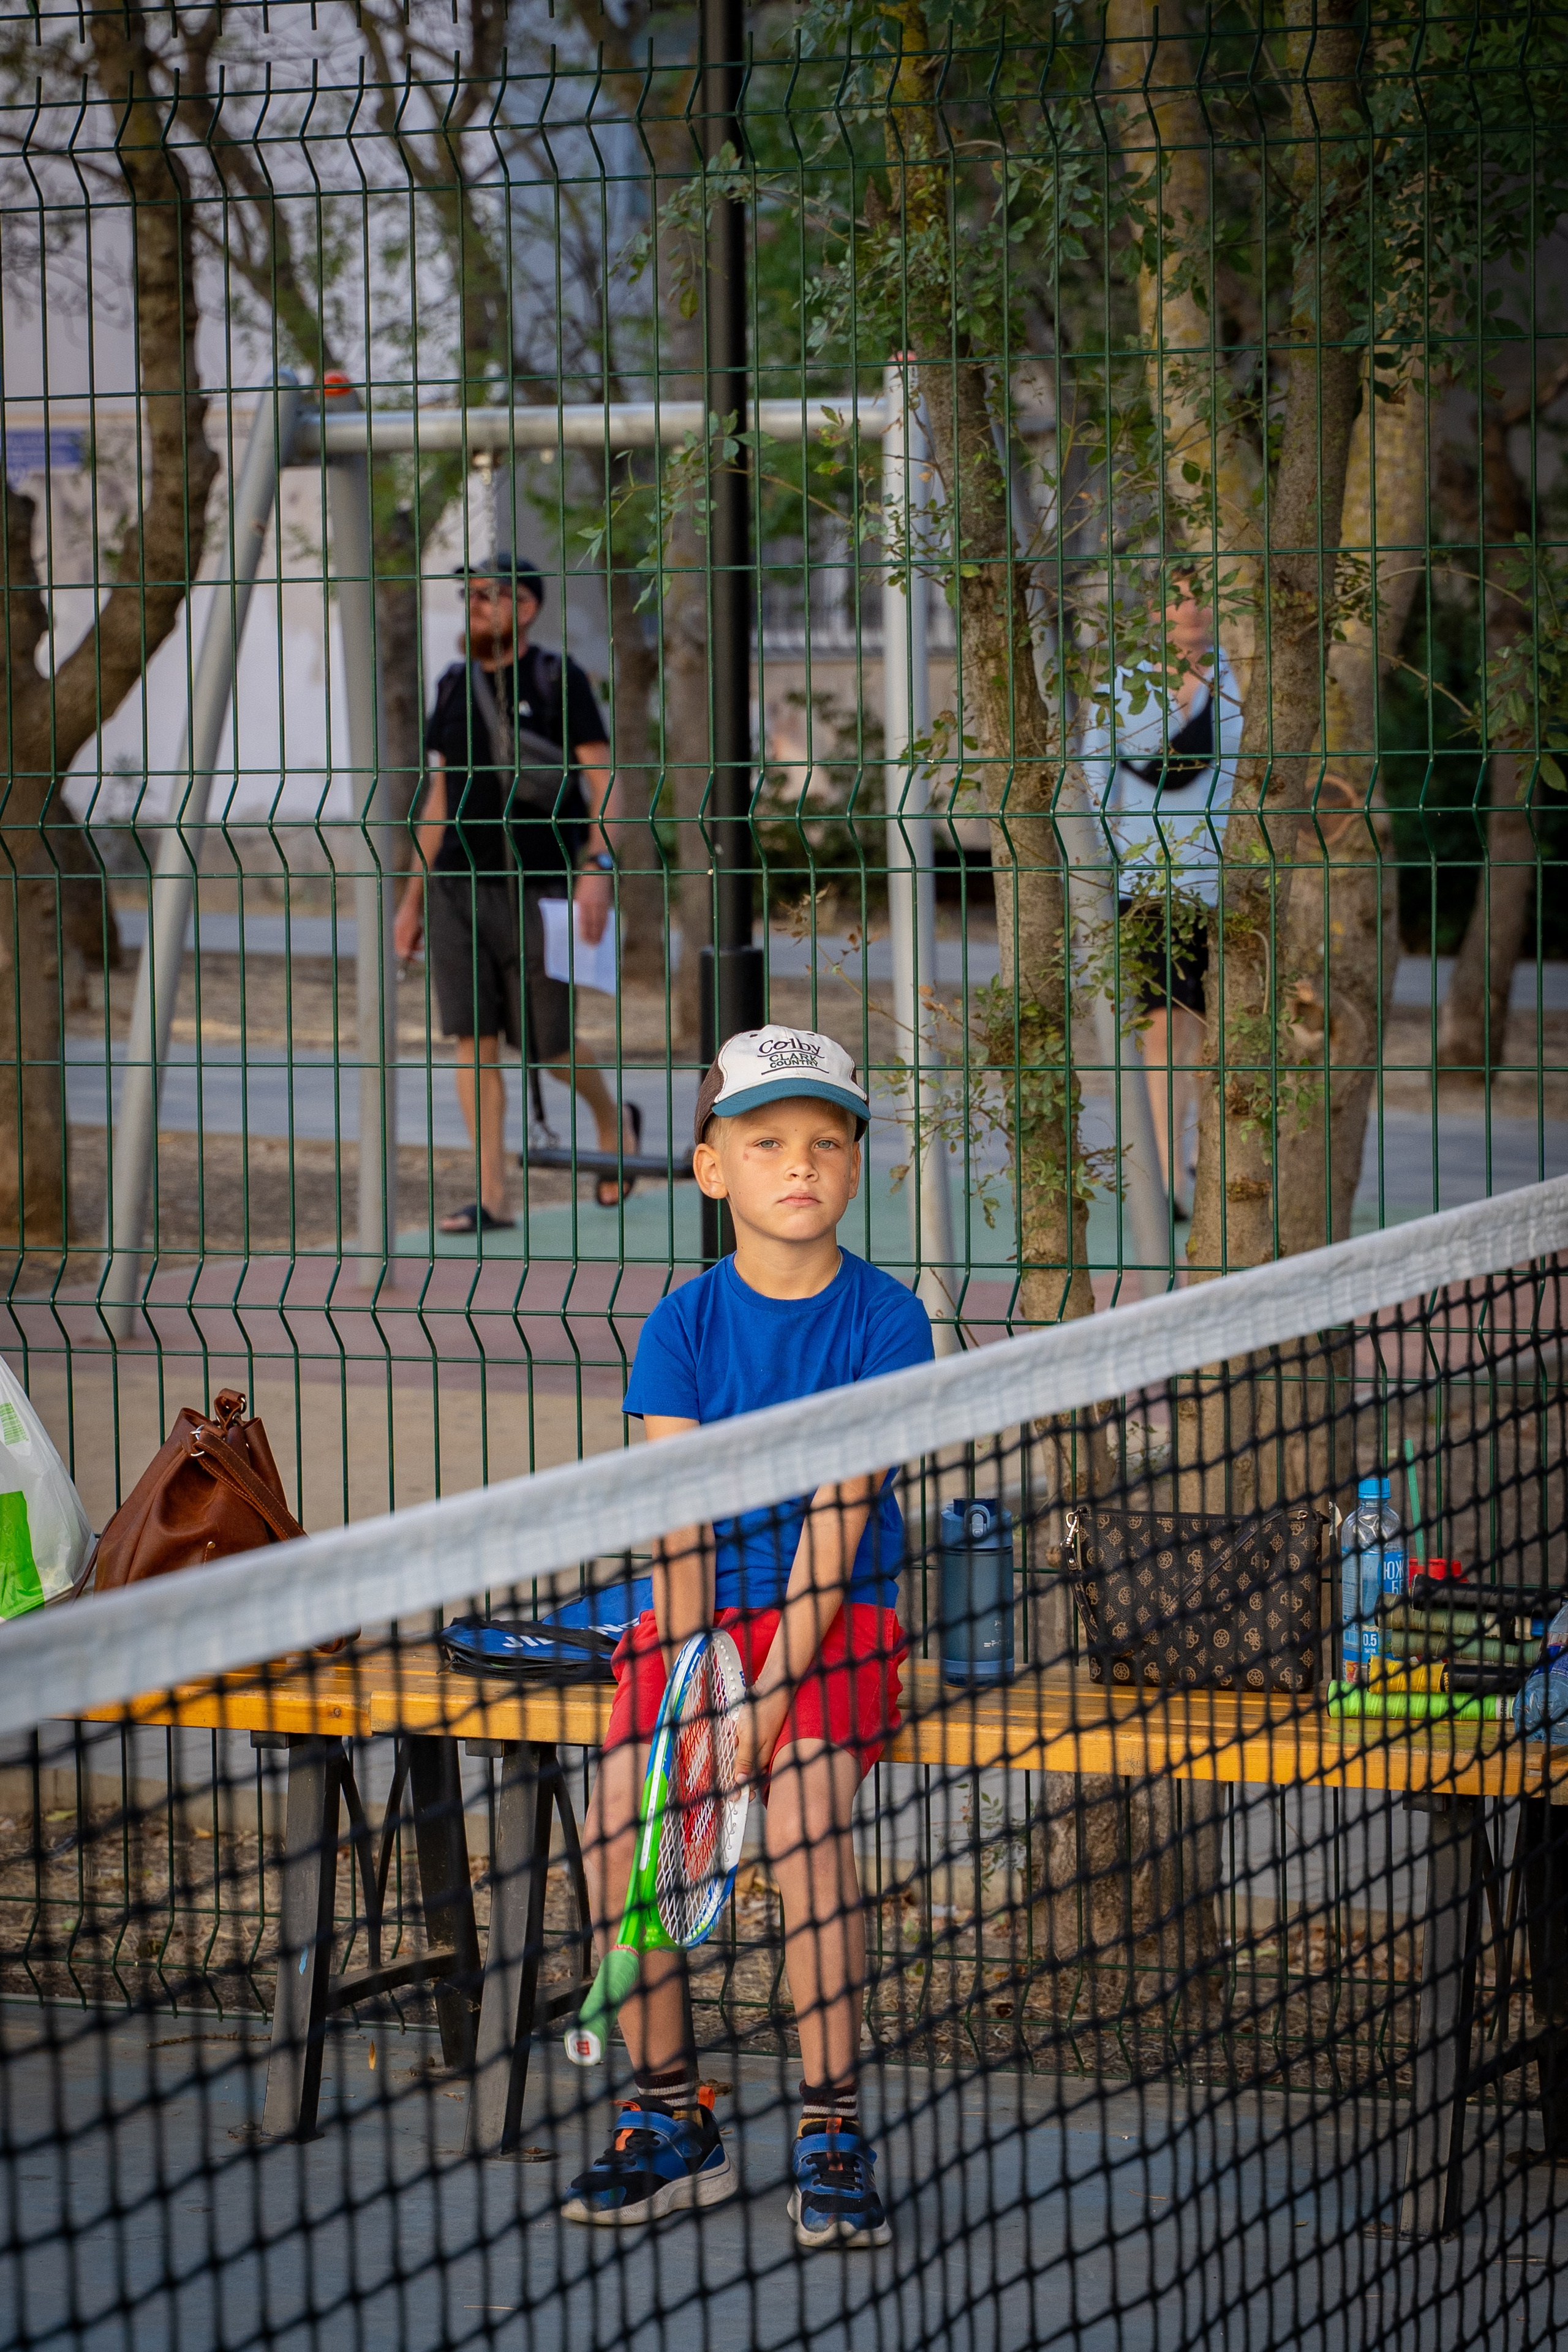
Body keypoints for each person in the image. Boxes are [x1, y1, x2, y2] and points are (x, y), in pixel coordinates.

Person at [562, 1028, 934, 2248]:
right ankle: (671, 2116)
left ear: (854, 1167)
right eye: (766, 1142)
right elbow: (677, 1537)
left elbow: (838, 1527)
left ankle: (829, 2126)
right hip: (695, 1621)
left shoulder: (887, 1323)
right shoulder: (678, 1328)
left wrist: (758, 1712)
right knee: (624, 1813)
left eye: (825, 1143)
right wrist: (692, 1703)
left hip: (838, 1618)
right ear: (710, 1168)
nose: (798, 1166)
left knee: (812, 1821)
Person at [393, 552, 638, 1229]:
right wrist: (411, 902)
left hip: (545, 885)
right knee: (471, 1040)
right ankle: (492, 1198)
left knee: (549, 1048)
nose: (472, 606)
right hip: (456, 889)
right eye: (468, 596)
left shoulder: (560, 679)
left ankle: (613, 1119)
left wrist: (598, 868)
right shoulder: (450, 685)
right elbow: (438, 799)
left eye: (486, 596)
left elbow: (605, 782)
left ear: (523, 607)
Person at [1077, 582, 1242, 1219]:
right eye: (1177, 597)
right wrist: (1094, 879)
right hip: (1144, 887)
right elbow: (1095, 784)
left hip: (1231, 886)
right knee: (1160, 1030)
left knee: (1217, 1032)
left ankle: (1212, 1163)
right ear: (1152, 609)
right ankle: (1167, 1173)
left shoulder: (1246, 676)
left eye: (1203, 595)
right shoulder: (1121, 686)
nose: (1192, 608)